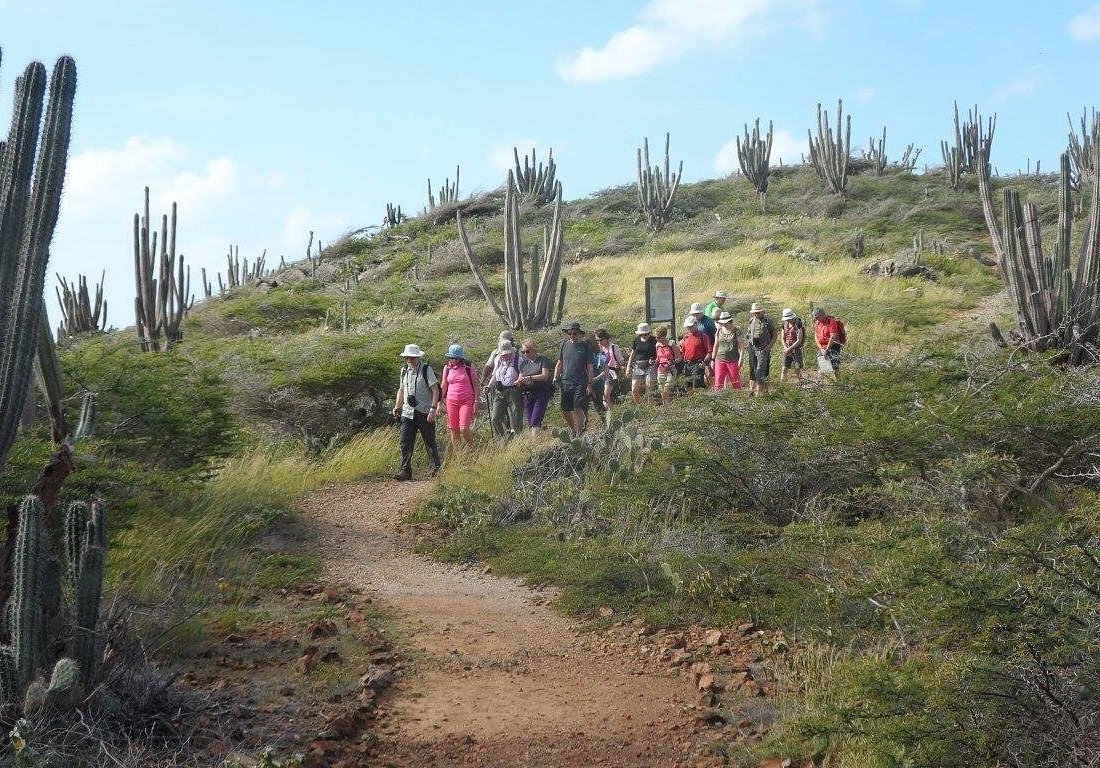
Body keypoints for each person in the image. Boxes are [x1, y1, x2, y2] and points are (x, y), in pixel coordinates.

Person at [392, 343, 442, 481]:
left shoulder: (426, 370)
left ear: (418, 357)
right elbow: (401, 390)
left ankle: (435, 469)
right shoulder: (403, 371)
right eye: (408, 357)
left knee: (429, 441)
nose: (410, 360)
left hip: (424, 411)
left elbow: (435, 390)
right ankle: (405, 471)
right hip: (407, 412)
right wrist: (397, 406)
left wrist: (433, 409)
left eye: (413, 357)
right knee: (405, 442)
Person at [554, 320, 594, 437]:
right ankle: (573, 428)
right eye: (570, 333)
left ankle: (579, 433)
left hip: (580, 381)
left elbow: (590, 366)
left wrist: (589, 383)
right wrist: (555, 378)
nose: (572, 336)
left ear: (579, 334)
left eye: (575, 333)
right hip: (566, 381)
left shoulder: (585, 346)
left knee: (577, 407)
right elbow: (560, 363)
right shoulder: (564, 345)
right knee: (565, 409)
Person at [439, 344, 478, 452]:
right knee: (454, 429)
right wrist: (439, 402)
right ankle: (459, 456)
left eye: (455, 358)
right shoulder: (447, 368)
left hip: (466, 400)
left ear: (460, 358)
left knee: (464, 428)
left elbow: (475, 385)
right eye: (451, 357)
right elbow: (444, 385)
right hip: (451, 401)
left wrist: (476, 401)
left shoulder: (468, 367)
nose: (453, 360)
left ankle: (472, 450)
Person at [487, 339, 522, 438]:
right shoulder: (498, 359)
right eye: (502, 354)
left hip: (514, 391)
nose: (503, 356)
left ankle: (518, 440)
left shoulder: (518, 360)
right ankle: (503, 439)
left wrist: (519, 381)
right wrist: (489, 386)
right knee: (495, 418)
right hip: (500, 391)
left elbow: (522, 373)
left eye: (506, 354)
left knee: (516, 418)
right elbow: (494, 375)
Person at [517, 338, 552, 429]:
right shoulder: (524, 364)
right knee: (530, 421)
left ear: (533, 350)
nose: (525, 354)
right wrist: (518, 382)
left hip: (541, 393)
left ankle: (535, 439)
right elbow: (520, 377)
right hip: (528, 394)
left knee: (535, 420)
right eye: (523, 352)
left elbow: (544, 376)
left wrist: (530, 378)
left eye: (527, 351)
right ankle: (536, 440)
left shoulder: (542, 360)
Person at [744, 303, 776, 397]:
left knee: (760, 371)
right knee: (754, 369)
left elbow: (774, 335)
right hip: (752, 348)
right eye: (755, 312)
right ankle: (764, 391)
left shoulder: (767, 321)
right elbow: (749, 334)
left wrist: (769, 346)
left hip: (763, 349)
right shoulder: (751, 320)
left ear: (762, 311)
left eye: (757, 312)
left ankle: (758, 393)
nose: (756, 314)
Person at [481, 330, 515, 420]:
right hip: (499, 385)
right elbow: (488, 367)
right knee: (504, 411)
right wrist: (485, 381)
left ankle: (511, 430)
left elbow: (487, 367)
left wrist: (483, 380)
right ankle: (507, 429)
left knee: (511, 411)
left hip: (512, 387)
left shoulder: (518, 353)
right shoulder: (496, 352)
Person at [592, 328, 625, 412]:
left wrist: (619, 364)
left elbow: (621, 360)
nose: (599, 342)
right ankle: (612, 413)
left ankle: (613, 414)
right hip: (601, 373)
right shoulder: (599, 349)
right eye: (597, 340)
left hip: (611, 372)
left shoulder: (614, 347)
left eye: (601, 340)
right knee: (603, 398)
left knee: (606, 396)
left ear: (606, 338)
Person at [626, 322, 658, 404]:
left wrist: (655, 360)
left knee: (649, 388)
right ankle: (640, 406)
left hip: (650, 366)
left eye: (646, 334)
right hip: (638, 366)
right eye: (642, 334)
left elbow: (659, 353)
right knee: (634, 388)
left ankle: (650, 407)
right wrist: (628, 366)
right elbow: (632, 354)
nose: (644, 336)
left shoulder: (654, 340)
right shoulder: (636, 340)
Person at [711, 311, 742, 392]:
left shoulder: (736, 331)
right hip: (719, 359)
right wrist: (713, 359)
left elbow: (741, 347)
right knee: (718, 383)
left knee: (735, 382)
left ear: (730, 321)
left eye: (726, 323)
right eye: (723, 323)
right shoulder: (719, 331)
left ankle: (739, 399)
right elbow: (716, 345)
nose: (724, 324)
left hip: (733, 360)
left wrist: (741, 359)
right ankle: (718, 400)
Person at [679, 316, 713, 391]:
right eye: (688, 327)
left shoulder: (703, 336)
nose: (689, 328)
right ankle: (692, 401)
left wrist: (704, 362)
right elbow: (683, 351)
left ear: (696, 324)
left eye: (691, 326)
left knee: (697, 386)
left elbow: (709, 352)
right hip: (687, 364)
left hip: (698, 363)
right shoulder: (686, 337)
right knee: (688, 386)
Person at [812, 307, 845, 379]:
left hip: (833, 346)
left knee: (835, 366)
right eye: (815, 317)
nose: (816, 319)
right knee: (823, 366)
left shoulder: (831, 321)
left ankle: (839, 383)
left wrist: (827, 349)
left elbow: (833, 336)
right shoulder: (817, 323)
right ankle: (824, 383)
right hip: (822, 347)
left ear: (822, 315)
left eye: (817, 317)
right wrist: (821, 348)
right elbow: (816, 337)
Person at [654, 326, 681, 405]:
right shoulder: (657, 345)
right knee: (662, 390)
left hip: (670, 370)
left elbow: (679, 358)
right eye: (656, 337)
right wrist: (653, 362)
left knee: (666, 389)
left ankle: (668, 406)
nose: (656, 339)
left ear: (664, 336)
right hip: (660, 370)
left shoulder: (671, 344)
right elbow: (658, 359)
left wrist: (672, 362)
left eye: (658, 337)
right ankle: (666, 406)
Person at [780, 308, 806, 384]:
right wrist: (786, 348)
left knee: (797, 368)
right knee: (784, 368)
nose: (787, 320)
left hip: (796, 348)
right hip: (787, 348)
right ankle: (782, 386)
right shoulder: (784, 324)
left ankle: (801, 383)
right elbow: (782, 338)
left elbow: (799, 340)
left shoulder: (798, 323)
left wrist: (790, 349)